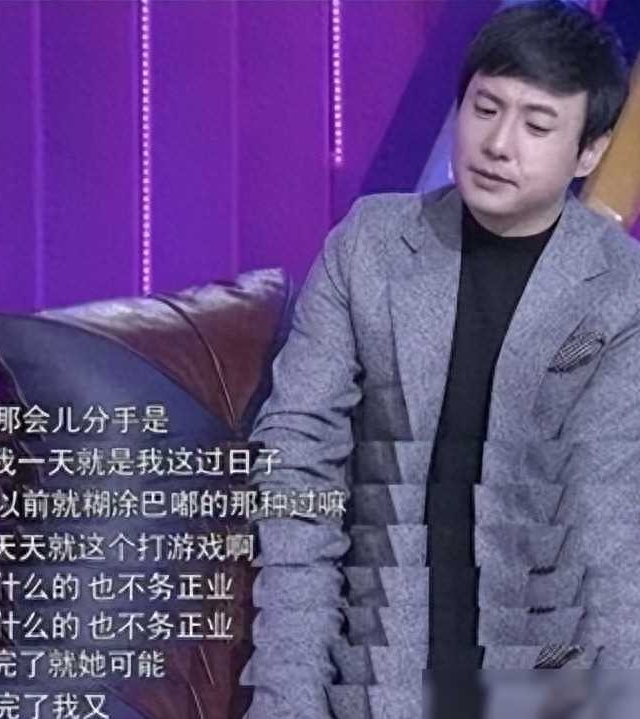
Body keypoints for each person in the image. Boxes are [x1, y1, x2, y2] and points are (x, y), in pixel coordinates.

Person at [241, 2, 638, 718]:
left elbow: (611, 525)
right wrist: (288, 699)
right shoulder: (369, 247)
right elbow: (298, 466)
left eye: (537, 125)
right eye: (485, 109)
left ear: (589, 153)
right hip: (377, 672)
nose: (498, 144)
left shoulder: (620, 290)